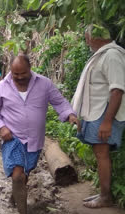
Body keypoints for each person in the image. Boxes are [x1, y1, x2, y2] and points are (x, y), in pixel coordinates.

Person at [0, 54, 79, 214]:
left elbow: (59, 102)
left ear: (30, 69)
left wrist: (70, 114)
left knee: (25, 173)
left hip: (35, 140)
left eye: (23, 73)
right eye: (16, 74)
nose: (20, 77)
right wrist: (2, 127)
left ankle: (14, 195)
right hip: (12, 138)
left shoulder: (44, 84)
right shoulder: (1, 87)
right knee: (17, 176)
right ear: (11, 70)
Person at [72, 25, 125, 208]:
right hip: (96, 113)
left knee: (102, 153)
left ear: (96, 38)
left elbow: (117, 90)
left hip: (104, 114)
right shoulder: (103, 54)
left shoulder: (112, 56)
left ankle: (105, 196)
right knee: (99, 153)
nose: (86, 42)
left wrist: (107, 122)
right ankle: (103, 192)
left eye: (87, 38)